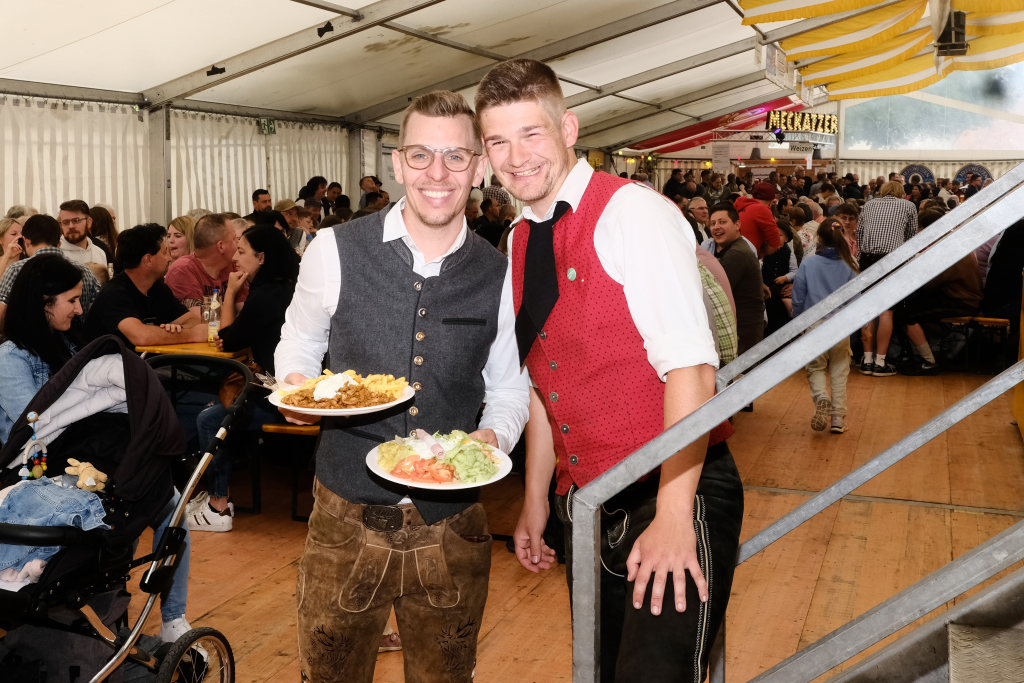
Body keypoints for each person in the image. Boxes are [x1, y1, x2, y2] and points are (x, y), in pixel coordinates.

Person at [476, 59, 741, 683]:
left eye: (531, 133)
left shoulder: (632, 214)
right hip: (588, 504)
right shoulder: (519, 237)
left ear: (568, 129)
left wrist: (674, 515)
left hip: (672, 489)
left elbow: (693, 371)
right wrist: (536, 501)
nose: (516, 158)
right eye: (498, 142)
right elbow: (545, 382)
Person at [275, 90, 529, 683]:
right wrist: (297, 389)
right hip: (344, 519)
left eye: (455, 156)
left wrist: (492, 438)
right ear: (397, 163)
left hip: (453, 527)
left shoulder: (500, 273)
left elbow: (509, 389)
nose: (437, 173)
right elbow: (300, 341)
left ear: (479, 167)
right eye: (421, 155)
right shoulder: (334, 250)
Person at [0, 253, 195, 642]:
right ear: (43, 303)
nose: (79, 309)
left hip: (82, 457)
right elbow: (38, 424)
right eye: (71, 300)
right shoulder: (10, 359)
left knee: (169, 507)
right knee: (140, 509)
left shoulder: (69, 343)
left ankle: (171, 618)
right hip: (36, 467)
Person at [189, 225, 300, 532]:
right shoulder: (290, 287)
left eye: (241, 251)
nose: (235, 258)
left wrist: (230, 293)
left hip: (282, 399)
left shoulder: (266, 295)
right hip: (296, 392)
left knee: (210, 420)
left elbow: (226, 340)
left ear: (261, 258)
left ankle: (218, 506)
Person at [85, 223, 206, 347]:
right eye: (165, 252)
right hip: (110, 358)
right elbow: (141, 336)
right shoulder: (114, 293)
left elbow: (193, 320)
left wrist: (174, 331)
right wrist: (191, 334)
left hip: (148, 358)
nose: (169, 258)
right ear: (148, 259)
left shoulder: (157, 288)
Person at [792, 219, 858, 434]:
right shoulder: (850, 264)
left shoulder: (809, 263)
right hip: (841, 325)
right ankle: (837, 418)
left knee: (816, 367)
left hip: (815, 324)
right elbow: (856, 298)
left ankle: (821, 396)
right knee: (840, 370)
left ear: (819, 237)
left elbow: (798, 297)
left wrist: (798, 321)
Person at [856, 180, 918, 376]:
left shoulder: (869, 204)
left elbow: (860, 234)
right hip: (892, 259)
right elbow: (912, 237)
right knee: (886, 312)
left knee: (868, 310)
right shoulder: (908, 205)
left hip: (867, 258)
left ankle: (866, 360)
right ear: (901, 192)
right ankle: (880, 362)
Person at [0, 215, 102, 330]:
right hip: (76, 339)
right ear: (59, 243)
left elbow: (2, 314)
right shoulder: (84, 271)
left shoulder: (17, 269)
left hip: (29, 338)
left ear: (26, 241)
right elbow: (98, 311)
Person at [706, 203, 766, 356]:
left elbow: (714, 292)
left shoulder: (737, 254)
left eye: (722, 222)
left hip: (743, 331)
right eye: (713, 223)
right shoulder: (735, 248)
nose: (716, 227)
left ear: (737, 224)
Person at [164, 213, 247, 313]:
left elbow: (246, 312)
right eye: (234, 239)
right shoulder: (182, 270)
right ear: (221, 246)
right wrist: (231, 292)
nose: (238, 244)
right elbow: (204, 319)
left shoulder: (232, 265)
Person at [734, 182, 783, 257]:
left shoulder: (741, 204)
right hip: (746, 256)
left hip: (731, 253)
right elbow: (775, 243)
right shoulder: (762, 209)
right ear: (771, 198)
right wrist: (759, 255)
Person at [57, 200, 108, 266]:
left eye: (76, 220)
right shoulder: (56, 255)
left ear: (89, 222)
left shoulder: (99, 253)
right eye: (65, 222)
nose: (71, 226)